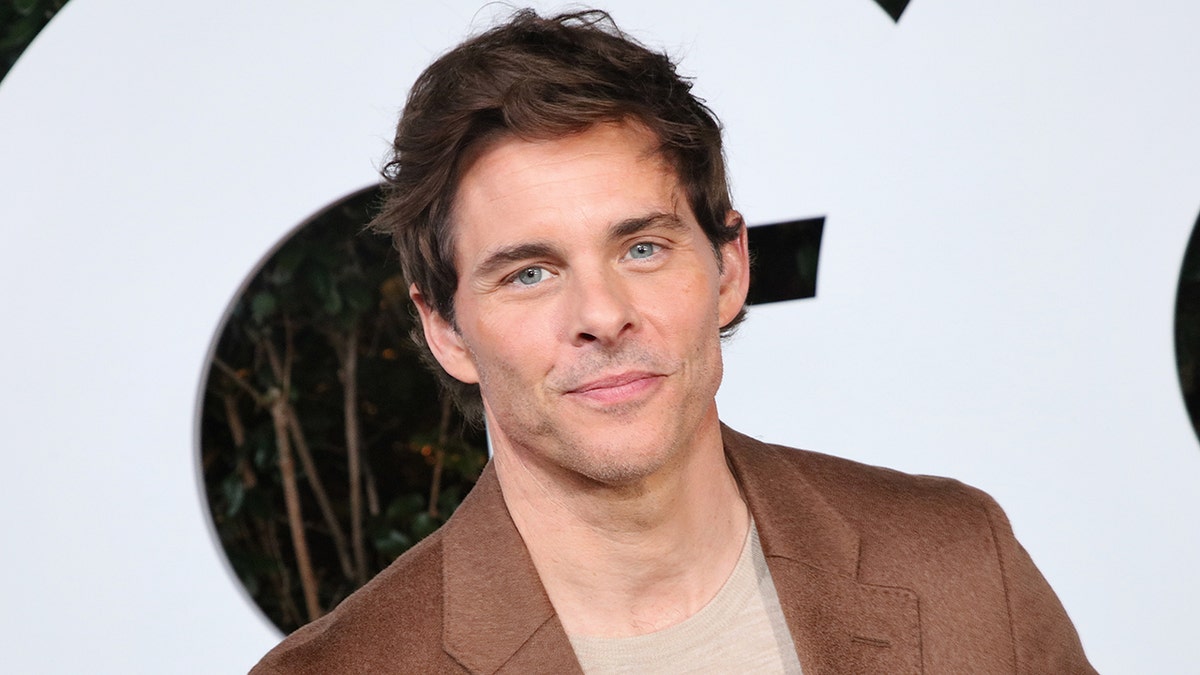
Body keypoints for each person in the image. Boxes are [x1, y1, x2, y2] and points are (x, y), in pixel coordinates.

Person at [252, 9, 1096, 674]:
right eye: (530, 272)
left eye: (642, 248)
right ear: (445, 329)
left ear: (730, 266)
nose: (603, 313)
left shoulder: (958, 562)